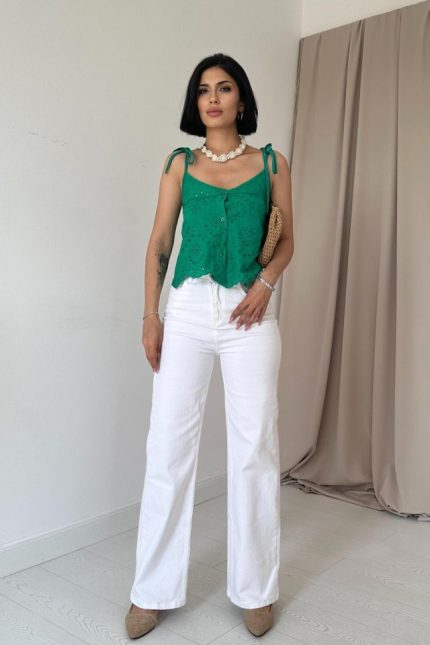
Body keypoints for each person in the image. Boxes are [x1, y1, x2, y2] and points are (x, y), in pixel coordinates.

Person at [125, 52, 294, 639]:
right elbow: (158, 244)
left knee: (254, 449)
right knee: (168, 447)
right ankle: (151, 591)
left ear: (241, 98)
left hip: (251, 313)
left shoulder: (271, 162)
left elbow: (287, 239)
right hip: (189, 312)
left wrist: (265, 286)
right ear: (195, 103)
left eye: (224, 88)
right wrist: (152, 316)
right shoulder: (179, 163)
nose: (213, 98)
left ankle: (256, 589)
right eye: (203, 90)